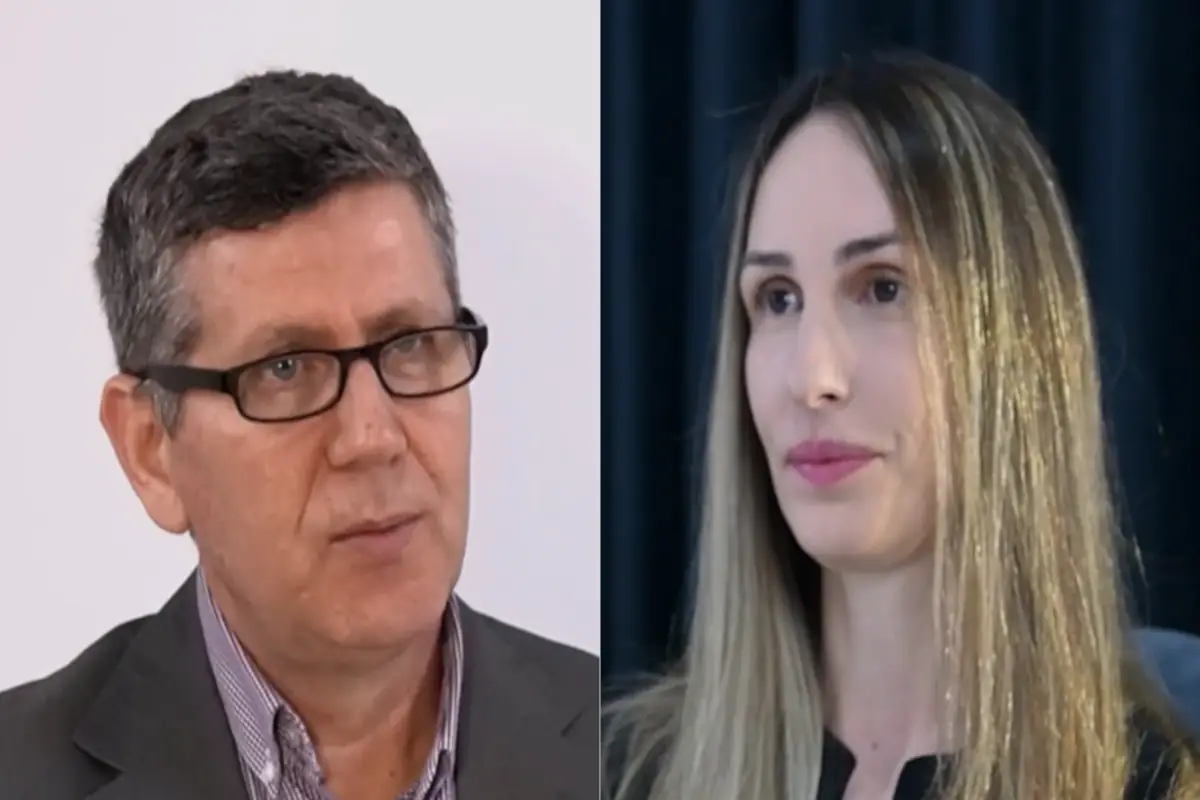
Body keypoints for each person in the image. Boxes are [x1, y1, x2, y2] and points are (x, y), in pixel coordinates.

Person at [603, 52, 1200, 800]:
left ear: (1010, 344)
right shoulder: (635, 771)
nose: (811, 377)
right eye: (778, 298)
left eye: (882, 288)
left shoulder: (1146, 783)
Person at [0, 69, 597, 799]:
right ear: (150, 450)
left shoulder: (641, 754)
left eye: (411, 344)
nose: (372, 437)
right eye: (284, 370)